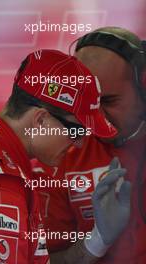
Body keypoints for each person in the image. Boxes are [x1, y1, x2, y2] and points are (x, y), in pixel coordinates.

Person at [0, 49, 128, 263]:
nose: (80, 143)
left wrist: (97, 240)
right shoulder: (0, 187)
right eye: (76, 131)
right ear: (41, 120)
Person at [32, 27, 146, 263]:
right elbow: (44, 260)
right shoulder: (61, 155)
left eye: (108, 101)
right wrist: (97, 241)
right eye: (86, 102)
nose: (96, 117)